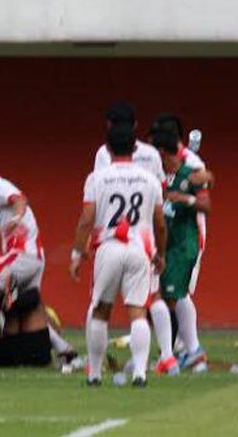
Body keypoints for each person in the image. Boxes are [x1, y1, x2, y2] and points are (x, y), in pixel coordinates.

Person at [0, 151, 74, 366]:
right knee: (27, 304)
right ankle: (65, 350)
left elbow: (20, 199)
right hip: (34, 257)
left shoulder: (0, 188)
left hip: (20, 256)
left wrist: (17, 217)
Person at [71, 123, 166, 388]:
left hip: (108, 248)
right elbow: (159, 223)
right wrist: (160, 253)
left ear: (108, 148)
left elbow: (86, 219)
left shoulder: (97, 178)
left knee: (101, 310)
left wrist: (77, 252)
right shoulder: (149, 179)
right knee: (138, 311)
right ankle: (140, 373)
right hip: (139, 250)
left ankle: (95, 374)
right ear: (135, 148)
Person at [92, 102, 178, 376]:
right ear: (137, 126)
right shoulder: (152, 155)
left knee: (100, 305)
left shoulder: (104, 155)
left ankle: (94, 366)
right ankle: (167, 357)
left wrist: (84, 244)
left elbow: (96, 198)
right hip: (146, 235)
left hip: (110, 236)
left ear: (108, 128)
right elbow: (161, 193)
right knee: (150, 299)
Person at [153, 127, 212, 370]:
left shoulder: (192, 173)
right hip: (169, 242)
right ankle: (192, 352)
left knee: (168, 298)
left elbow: (206, 205)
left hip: (184, 244)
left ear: (164, 152)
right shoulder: (162, 177)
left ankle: (172, 355)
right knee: (177, 296)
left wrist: (184, 199)